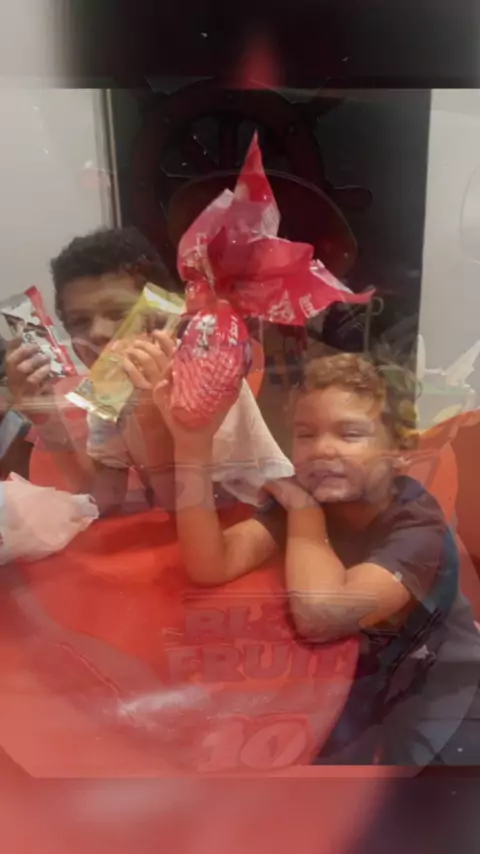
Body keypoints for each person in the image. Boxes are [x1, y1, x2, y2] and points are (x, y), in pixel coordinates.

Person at [145, 350, 480, 766]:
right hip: (359, 688)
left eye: (350, 434)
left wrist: (304, 515)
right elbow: (212, 564)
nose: (322, 449)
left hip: (447, 691)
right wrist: (192, 447)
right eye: (305, 435)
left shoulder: (417, 522)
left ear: (399, 452)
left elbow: (323, 614)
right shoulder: (302, 495)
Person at [5, 227, 291, 514]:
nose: (97, 332)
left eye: (118, 313)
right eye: (80, 321)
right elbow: (103, 498)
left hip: (265, 519)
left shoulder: (207, 374)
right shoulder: (109, 390)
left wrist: (152, 416)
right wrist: (47, 420)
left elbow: (187, 505)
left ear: (161, 314)